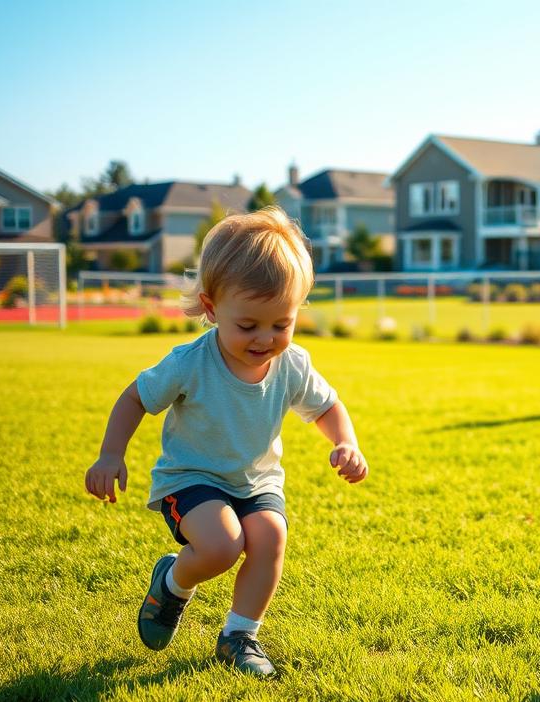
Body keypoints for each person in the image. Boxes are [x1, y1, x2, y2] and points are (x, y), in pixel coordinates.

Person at [84, 206, 368, 677]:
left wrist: (346, 443)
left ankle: (239, 636)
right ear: (213, 308)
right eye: (248, 325)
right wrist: (111, 454)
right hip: (192, 478)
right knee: (221, 545)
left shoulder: (293, 364)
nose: (265, 339)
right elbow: (136, 396)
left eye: (281, 324)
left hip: (256, 481)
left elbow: (327, 406)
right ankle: (172, 584)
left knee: (270, 536)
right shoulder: (190, 363)